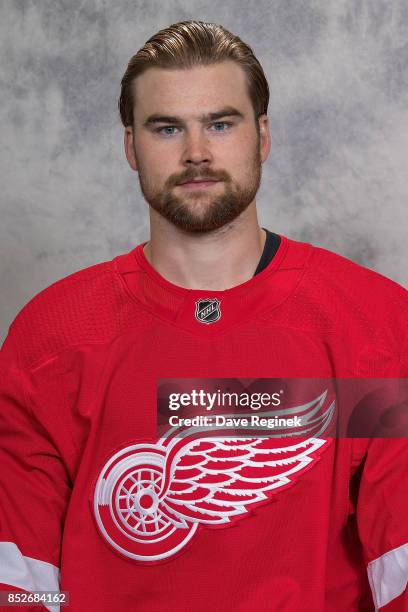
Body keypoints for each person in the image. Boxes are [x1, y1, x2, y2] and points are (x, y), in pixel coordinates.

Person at [0, 19, 407, 612]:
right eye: (167, 128)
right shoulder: (50, 339)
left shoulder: (376, 326)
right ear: (130, 146)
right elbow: (21, 581)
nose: (196, 152)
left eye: (221, 123)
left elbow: (400, 565)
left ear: (262, 137)